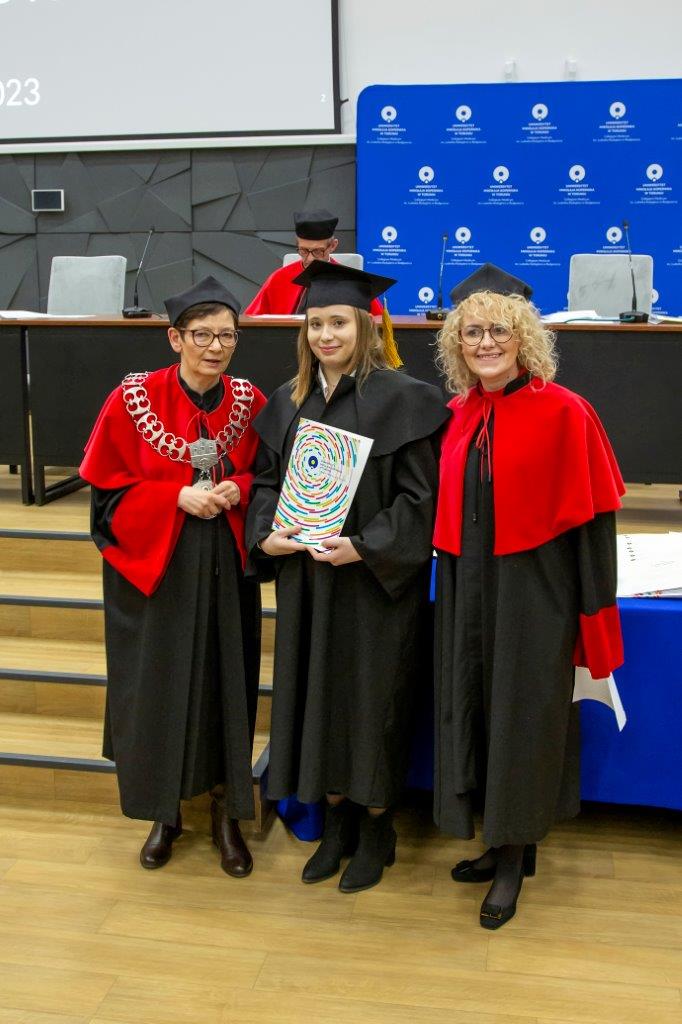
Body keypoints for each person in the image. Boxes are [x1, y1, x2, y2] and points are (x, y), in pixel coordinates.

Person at [246, 260, 448, 892]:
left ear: (365, 326)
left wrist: (364, 546)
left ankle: (378, 829)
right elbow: (266, 484)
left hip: (374, 585)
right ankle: (335, 824)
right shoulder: (290, 401)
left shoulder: (407, 399)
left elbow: (421, 499)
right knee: (316, 699)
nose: (325, 335)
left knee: (373, 701)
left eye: (338, 322)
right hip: (308, 583)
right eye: (314, 324)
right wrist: (265, 534)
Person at [433, 265, 625, 928]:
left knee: (522, 717)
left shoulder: (566, 411)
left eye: (499, 331)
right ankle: (499, 839)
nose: (485, 343)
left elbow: (595, 527)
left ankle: (515, 857)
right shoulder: (460, 414)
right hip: (468, 589)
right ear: (457, 343)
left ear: (524, 339)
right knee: (478, 710)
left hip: (536, 596)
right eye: (473, 332)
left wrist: (595, 617)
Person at [80, 276, 266, 876]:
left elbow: (273, 477)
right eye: (203, 335)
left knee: (226, 683)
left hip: (225, 569)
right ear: (175, 338)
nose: (215, 347)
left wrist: (238, 488)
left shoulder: (250, 403)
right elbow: (105, 500)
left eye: (227, 336)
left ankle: (226, 813)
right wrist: (173, 498)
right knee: (157, 687)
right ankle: (165, 813)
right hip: (155, 573)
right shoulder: (132, 399)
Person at [244, 208, 384, 316]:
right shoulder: (278, 279)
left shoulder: (351, 281)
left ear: (333, 246)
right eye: (304, 250)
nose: (310, 259)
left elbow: (378, 322)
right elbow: (251, 320)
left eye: (318, 251)